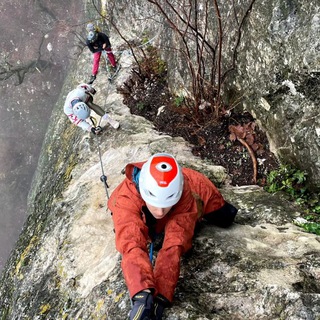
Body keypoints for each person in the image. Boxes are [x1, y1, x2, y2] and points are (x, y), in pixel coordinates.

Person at [108, 153, 238, 320]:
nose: (161, 211)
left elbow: (175, 243)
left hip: (198, 188)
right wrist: (142, 293)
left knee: (226, 217)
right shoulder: (126, 198)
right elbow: (130, 242)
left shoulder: (186, 194)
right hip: (172, 194)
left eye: (166, 205)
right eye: (155, 204)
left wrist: (162, 295)